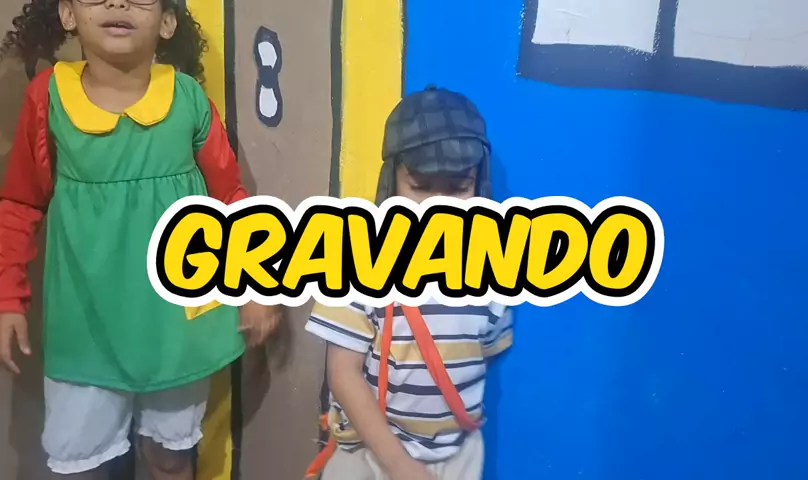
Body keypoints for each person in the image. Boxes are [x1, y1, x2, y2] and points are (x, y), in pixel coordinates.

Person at [0, 0, 280, 478]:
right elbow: (20, 203)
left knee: (170, 456)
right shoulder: (48, 98)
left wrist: (257, 284)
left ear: (167, 22)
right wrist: (9, 296)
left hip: (178, 325)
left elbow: (230, 198)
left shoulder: (187, 98)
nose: (117, 3)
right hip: (84, 325)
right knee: (81, 465)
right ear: (67, 14)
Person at [304, 86, 513, 480]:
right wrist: (400, 466)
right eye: (421, 187)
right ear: (391, 183)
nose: (439, 205)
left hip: (458, 455)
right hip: (369, 454)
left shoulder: (492, 266)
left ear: (479, 185)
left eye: (458, 188)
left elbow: (482, 352)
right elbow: (343, 374)